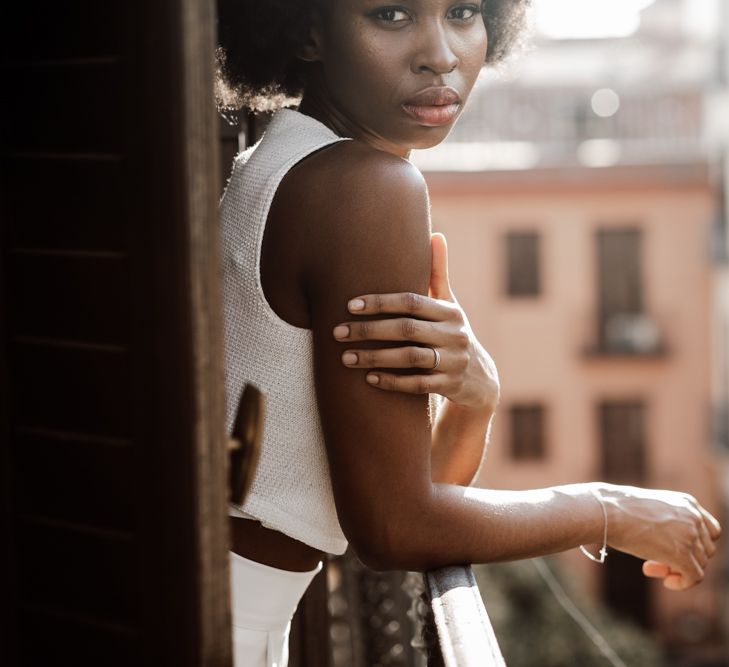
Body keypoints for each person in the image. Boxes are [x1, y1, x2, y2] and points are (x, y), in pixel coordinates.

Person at [216, 1, 722, 665]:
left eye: (461, 11)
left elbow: (398, 490)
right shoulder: (366, 188)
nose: (440, 53)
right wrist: (607, 508)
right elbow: (395, 530)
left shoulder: (283, 157)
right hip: (230, 621)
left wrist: (473, 398)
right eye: (391, 14)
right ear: (308, 29)